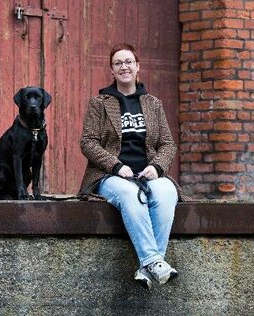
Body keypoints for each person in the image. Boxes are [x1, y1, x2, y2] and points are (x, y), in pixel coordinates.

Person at [78, 43, 186, 289]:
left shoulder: (153, 103)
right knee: (131, 194)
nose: (124, 66)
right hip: (110, 177)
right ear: (112, 70)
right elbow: (88, 142)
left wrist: (157, 168)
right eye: (118, 63)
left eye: (128, 62)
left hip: (147, 173)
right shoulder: (99, 103)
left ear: (138, 67)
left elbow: (168, 144)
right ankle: (154, 260)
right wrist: (115, 165)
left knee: (167, 191)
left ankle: (148, 268)